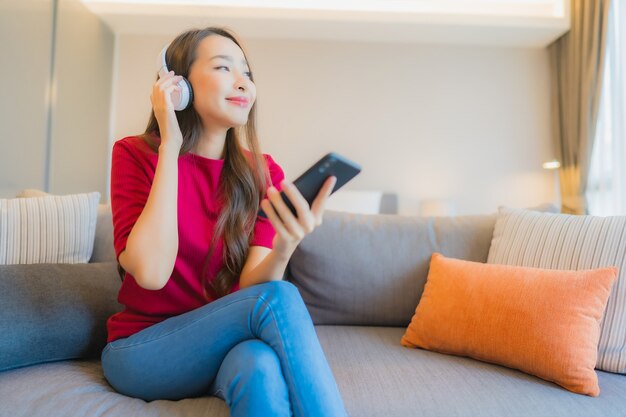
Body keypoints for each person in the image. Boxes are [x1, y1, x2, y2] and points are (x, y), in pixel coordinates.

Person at [101, 26, 348, 417]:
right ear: (177, 85)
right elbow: (150, 273)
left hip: (222, 350)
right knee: (281, 298)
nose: (242, 83)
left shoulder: (263, 173)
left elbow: (252, 286)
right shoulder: (135, 154)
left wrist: (285, 245)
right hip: (143, 351)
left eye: (247, 73)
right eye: (223, 68)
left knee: (260, 366)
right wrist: (170, 145)